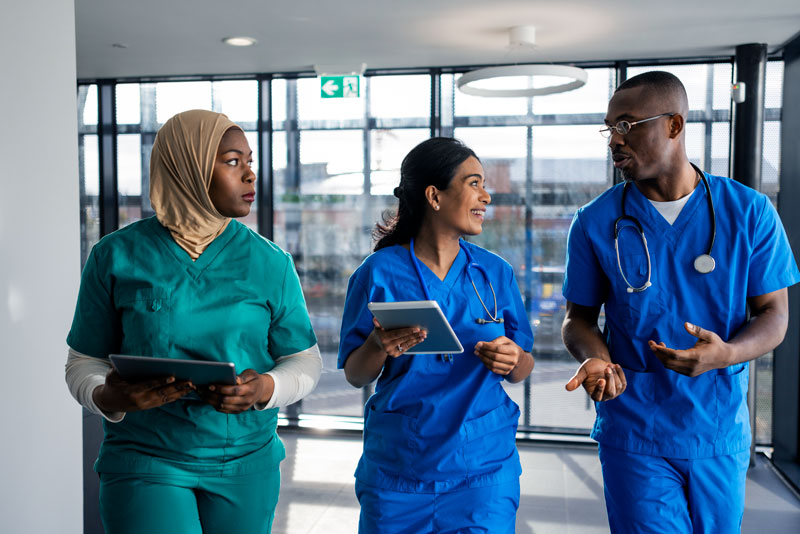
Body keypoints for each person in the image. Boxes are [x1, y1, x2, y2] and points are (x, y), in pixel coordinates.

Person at [561, 71, 800, 534]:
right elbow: (578, 319)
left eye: (627, 125)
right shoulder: (594, 222)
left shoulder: (748, 212)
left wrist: (726, 354)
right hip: (634, 426)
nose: (614, 139)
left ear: (673, 125)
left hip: (716, 426)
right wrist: (597, 359)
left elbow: (775, 314)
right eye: (609, 127)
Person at [65, 109, 322, 534]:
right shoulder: (115, 256)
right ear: (188, 167)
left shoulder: (271, 262)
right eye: (233, 161)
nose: (250, 176)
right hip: (147, 457)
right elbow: (82, 362)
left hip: (246, 461)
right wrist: (108, 397)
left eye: (250, 162)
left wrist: (265, 388)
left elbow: (305, 362)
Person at [338, 137, 535, 534]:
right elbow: (356, 374)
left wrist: (513, 359)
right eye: (474, 183)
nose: (487, 196)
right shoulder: (377, 272)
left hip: (483, 469)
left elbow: (523, 365)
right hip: (399, 469)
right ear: (435, 196)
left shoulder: (494, 273)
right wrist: (378, 345)